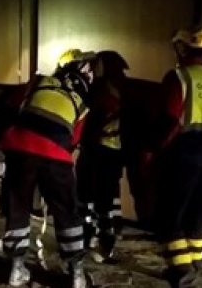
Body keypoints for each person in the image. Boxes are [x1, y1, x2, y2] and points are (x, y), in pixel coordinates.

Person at [0, 51, 95, 288]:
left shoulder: (39, 82)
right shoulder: (82, 104)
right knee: (67, 212)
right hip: (55, 156)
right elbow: (73, 141)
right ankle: (77, 274)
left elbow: (12, 106)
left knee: (17, 206)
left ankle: (16, 269)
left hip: (19, 149)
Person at [148, 26, 202, 287]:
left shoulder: (178, 78)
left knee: (169, 213)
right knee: (198, 211)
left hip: (182, 153)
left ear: (183, 49)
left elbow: (171, 119)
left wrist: (154, 150)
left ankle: (181, 268)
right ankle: (193, 263)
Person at [75, 50, 129, 263]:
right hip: (113, 152)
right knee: (107, 200)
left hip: (96, 152)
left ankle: (90, 240)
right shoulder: (122, 88)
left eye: (96, 64)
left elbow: (91, 120)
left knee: (88, 198)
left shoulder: (101, 89)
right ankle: (106, 242)